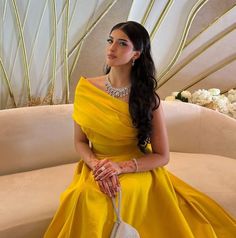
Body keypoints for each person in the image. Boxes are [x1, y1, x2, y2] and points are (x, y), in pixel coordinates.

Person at [44, 21, 235, 237]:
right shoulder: (85, 88)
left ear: (136, 54)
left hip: (136, 168)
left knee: (101, 197)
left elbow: (162, 156)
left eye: (122, 43)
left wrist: (120, 168)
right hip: (96, 166)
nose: (111, 48)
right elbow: (80, 141)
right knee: (84, 194)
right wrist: (97, 164)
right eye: (110, 40)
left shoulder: (147, 99)